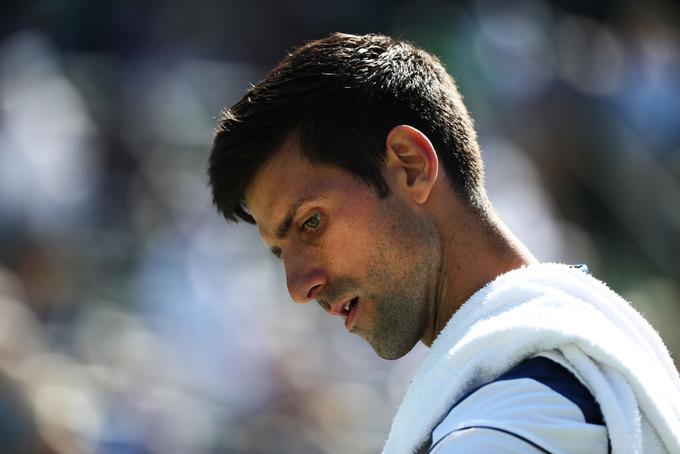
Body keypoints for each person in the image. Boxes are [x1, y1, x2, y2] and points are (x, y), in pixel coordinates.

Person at [208, 33, 680, 453]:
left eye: (311, 224)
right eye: (279, 253)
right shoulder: (582, 356)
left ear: (411, 166)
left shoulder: (517, 424)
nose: (297, 286)